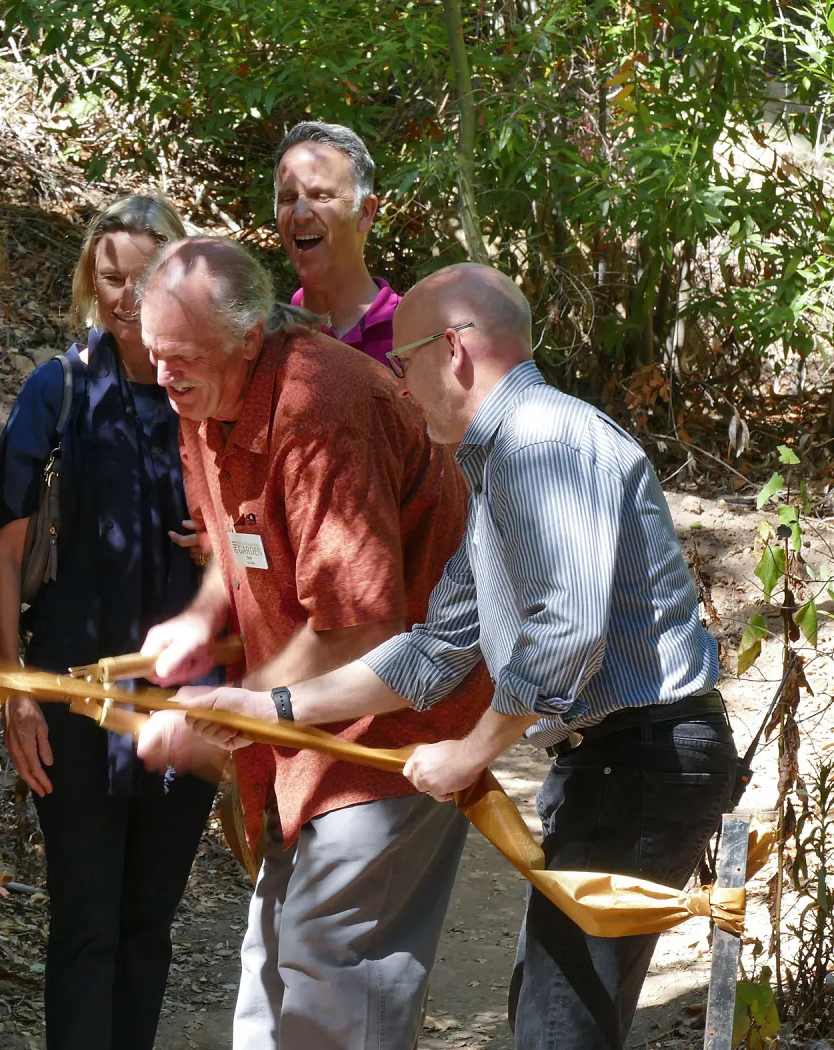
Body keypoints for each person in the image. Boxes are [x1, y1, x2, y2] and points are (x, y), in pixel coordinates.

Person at [177, 262, 739, 1050]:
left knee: (560, 1026)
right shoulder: (494, 463)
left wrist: (469, 751)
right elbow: (435, 650)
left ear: (454, 350)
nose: (401, 388)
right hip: (603, 762)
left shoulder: (543, 441)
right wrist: (270, 708)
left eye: (403, 362)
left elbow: (566, 631)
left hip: (645, 760)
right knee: (548, 1012)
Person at [132, 237, 493, 1050]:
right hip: (300, 728)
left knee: (335, 986)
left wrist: (230, 709)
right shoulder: (204, 400)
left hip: (393, 727)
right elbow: (241, 542)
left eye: (183, 357)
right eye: (154, 354)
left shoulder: (321, 407)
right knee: (270, 983)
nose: (164, 376)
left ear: (249, 337)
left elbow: (360, 627)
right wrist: (200, 620)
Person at [0, 195, 218, 1050]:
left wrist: (221, 550)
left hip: (186, 702)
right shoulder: (61, 389)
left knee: (148, 922)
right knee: (85, 923)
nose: (126, 295)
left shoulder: (211, 398)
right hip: (73, 694)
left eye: (144, 277)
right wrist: (15, 690)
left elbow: (269, 538)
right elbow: (5, 546)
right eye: (110, 276)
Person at [274, 121, 400, 365]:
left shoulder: (414, 334)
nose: (300, 215)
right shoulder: (267, 338)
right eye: (288, 199)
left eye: (321, 196)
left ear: (365, 212)